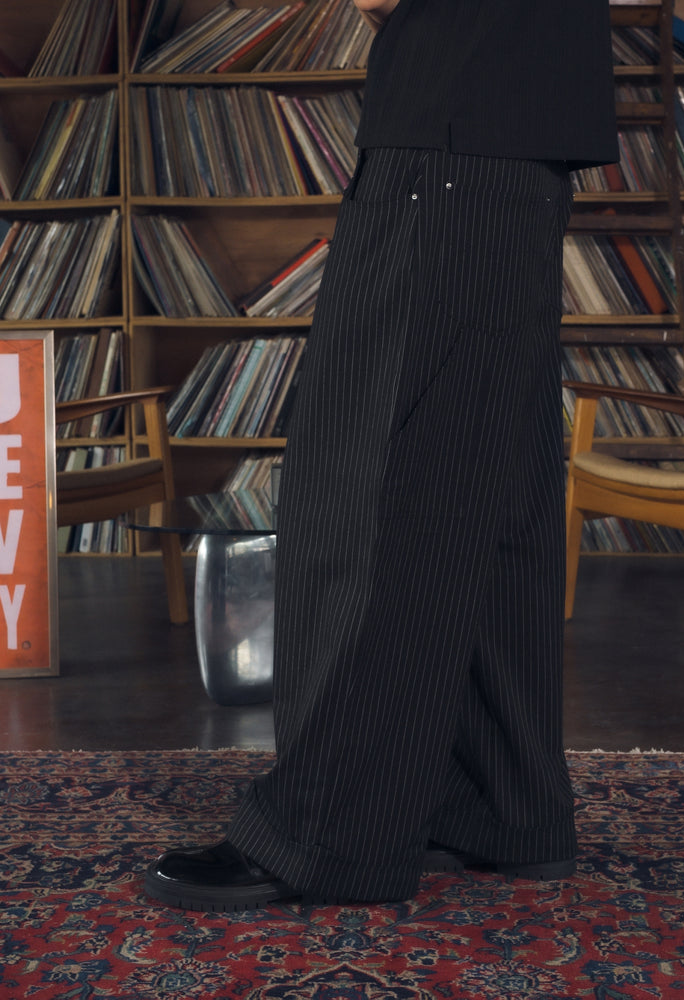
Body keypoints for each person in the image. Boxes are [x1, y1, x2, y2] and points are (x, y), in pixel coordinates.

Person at [145, 0, 618, 910]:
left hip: (448, 124)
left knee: (376, 489)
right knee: (490, 488)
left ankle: (329, 833)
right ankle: (500, 807)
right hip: (525, 137)